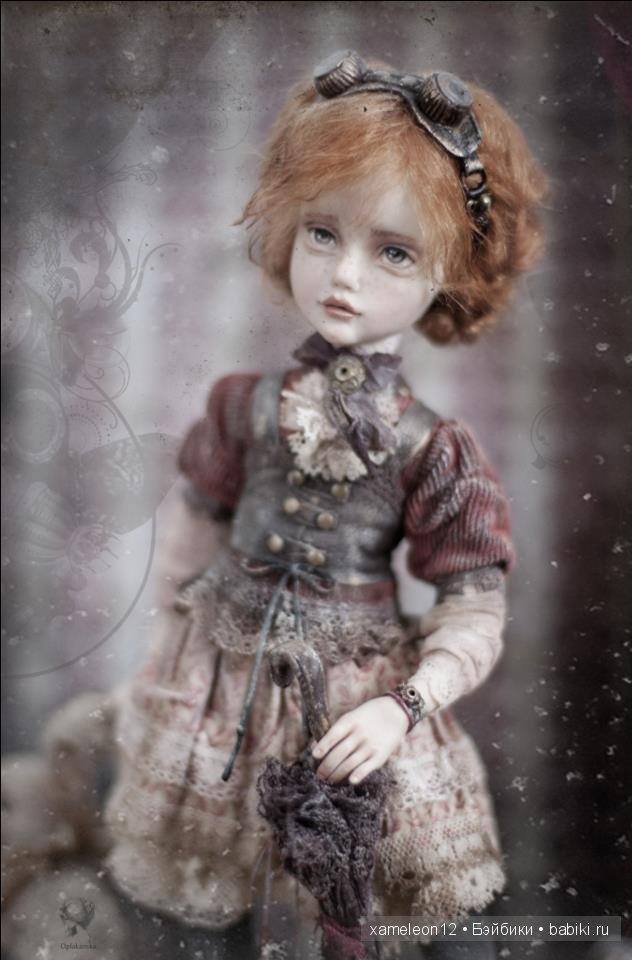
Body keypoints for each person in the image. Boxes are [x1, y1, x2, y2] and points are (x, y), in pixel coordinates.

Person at [2, 51, 547, 960]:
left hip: (354, 706)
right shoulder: (243, 407)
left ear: (450, 273)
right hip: (214, 693)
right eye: (323, 233)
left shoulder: (432, 448)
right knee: (197, 911)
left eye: (395, 251)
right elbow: (190, 542)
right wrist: (165, 662)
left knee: (343, 906)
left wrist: (403, 707)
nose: (344, 276)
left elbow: (474, 609)